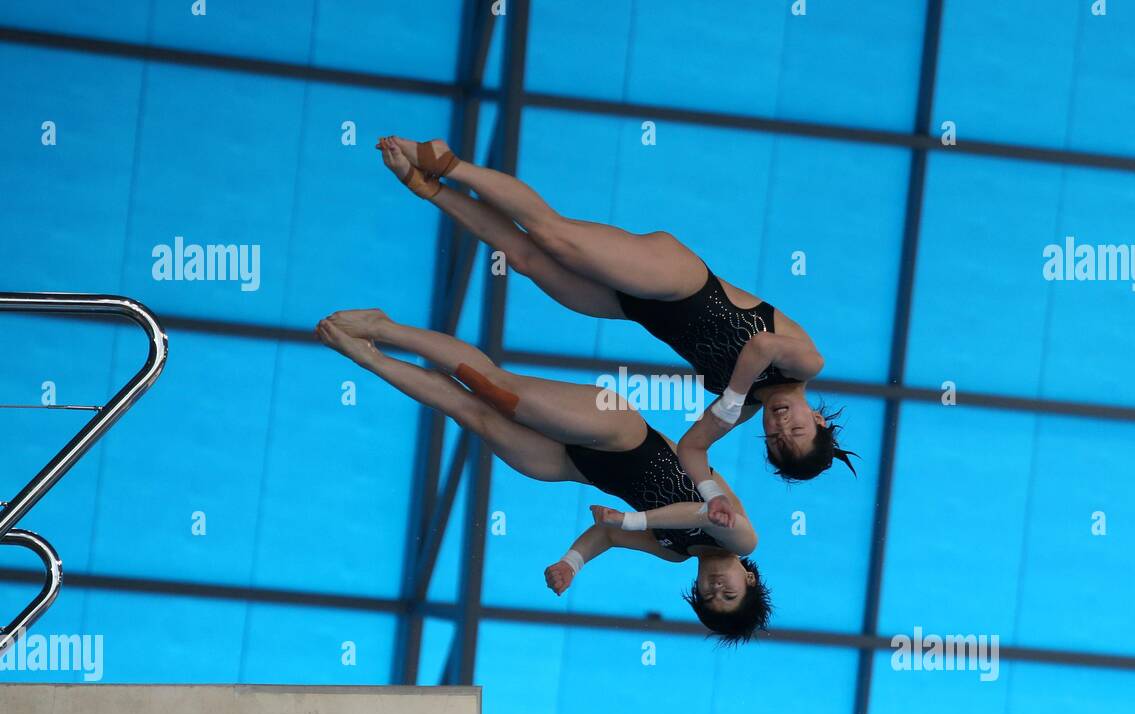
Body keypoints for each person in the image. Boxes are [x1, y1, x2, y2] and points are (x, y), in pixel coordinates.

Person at [375, 135, 856, 520]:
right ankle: (450, 164)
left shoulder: (744, 405)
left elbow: (692, 448)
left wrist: (712, 495)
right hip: (678, 281)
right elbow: (761, 344)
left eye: (776, 441)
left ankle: (430, 189)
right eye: (796, 430)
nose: (780, 426)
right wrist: (731, 399)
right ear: (817, 419)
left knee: (522, 257)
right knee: (553, 235)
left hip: (633, 308)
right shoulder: (808, 362)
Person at [315, 309, 771, 645]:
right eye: (727, 595)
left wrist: (570, 563)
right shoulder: (743, 542)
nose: (715, 591)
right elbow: (703, 512)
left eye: (709, 600)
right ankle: (383, 327)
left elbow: (606, 536)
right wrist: (632, 521)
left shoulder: (676, 556)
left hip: (576, 467)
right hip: (621, 433)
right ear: (748, 581)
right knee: (495, 387)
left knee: (468, 411)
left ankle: (368, 359)